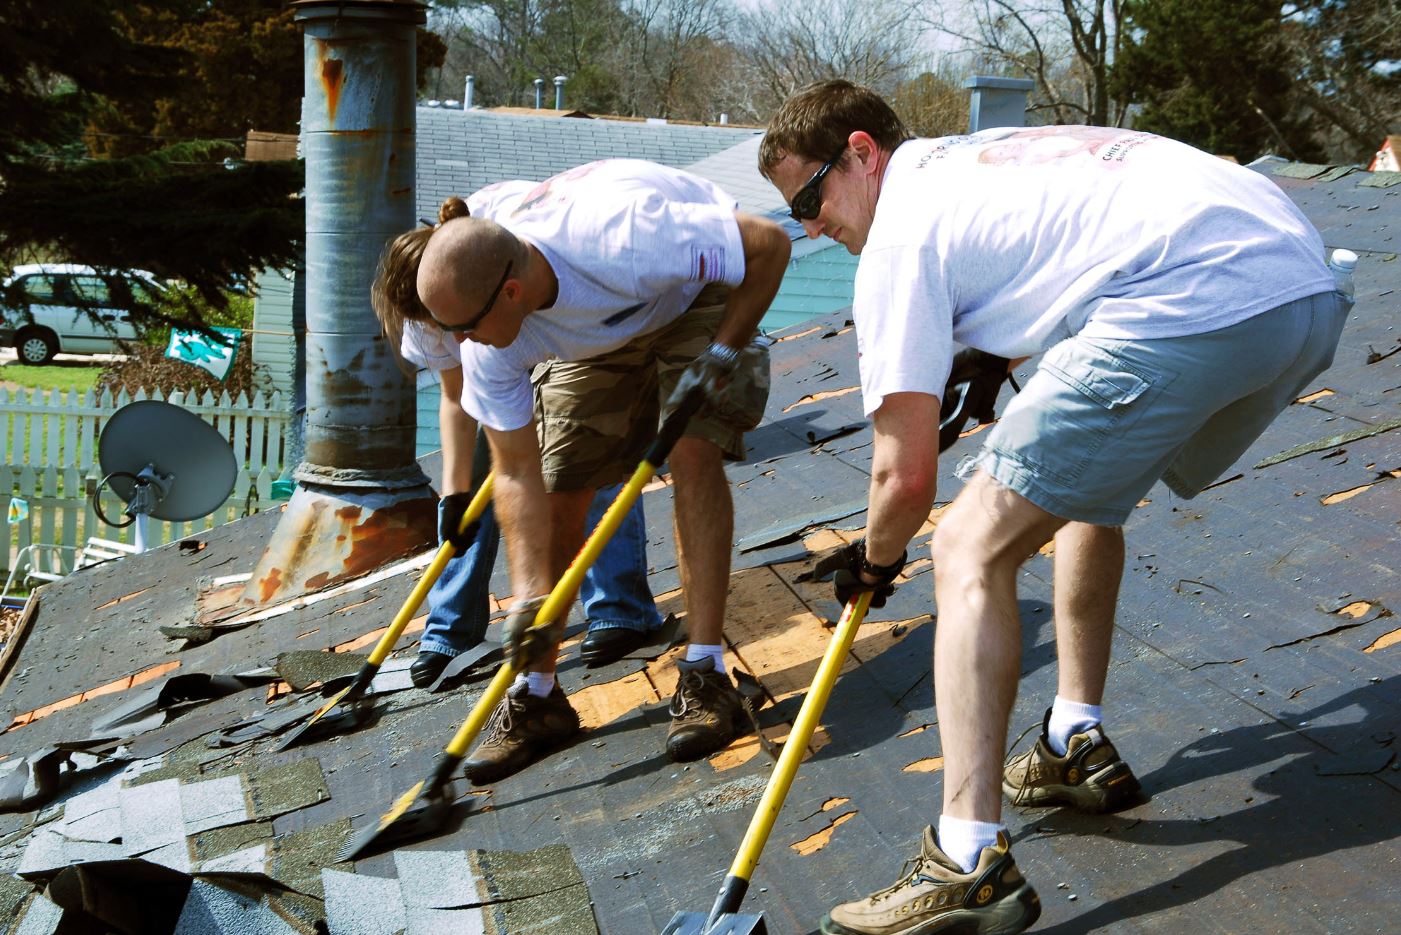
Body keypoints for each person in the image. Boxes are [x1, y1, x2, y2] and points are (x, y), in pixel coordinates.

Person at [759, 79, 1349, 935]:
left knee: (965, 548)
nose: (813, 228)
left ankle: (966, 862)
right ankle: (1074, 735)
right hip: (1302, 291)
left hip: (1187, 299)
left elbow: (902, 478)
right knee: (1077, 487)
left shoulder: (898, 234)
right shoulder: (981, 160)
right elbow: (1076, 242)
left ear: (860, 152)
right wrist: (996, 355)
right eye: (796, 216)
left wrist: (873, 560)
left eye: (811, 199)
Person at [408, 159, 790, 782]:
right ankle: (536, 697)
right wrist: (530, 598)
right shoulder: (488, 340)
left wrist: (723, 351)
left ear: (510, 294)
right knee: (564, 481)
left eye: (464, 328)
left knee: (692, 452)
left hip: (696, 295)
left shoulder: (625, 236)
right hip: (596, 331)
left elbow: (769, 244)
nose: (460, 346)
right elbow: (515, 473)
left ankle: (705, 673)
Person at [372, 189, 666, 691]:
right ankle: (449, 631)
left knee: (583, 455)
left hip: (562, 339)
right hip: (499, 377)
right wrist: (455, 492)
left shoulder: (495, 262)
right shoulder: (427, 316)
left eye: (447, 325)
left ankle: (619, 609)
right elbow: (456, 397)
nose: (448, 338)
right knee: (477, 491)